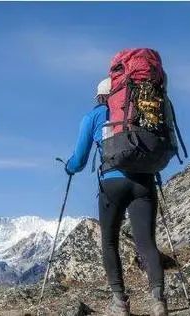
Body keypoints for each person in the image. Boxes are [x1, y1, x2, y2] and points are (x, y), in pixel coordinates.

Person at [64, 77, 167, 316]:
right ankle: (158, 300)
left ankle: (119, 303)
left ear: (100, 96)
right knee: (146, 242)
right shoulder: (141, 108)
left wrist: (68, 167)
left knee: (110, 241)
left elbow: (79, 160)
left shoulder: (94, 116)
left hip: (112, 182)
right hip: (144, 181)